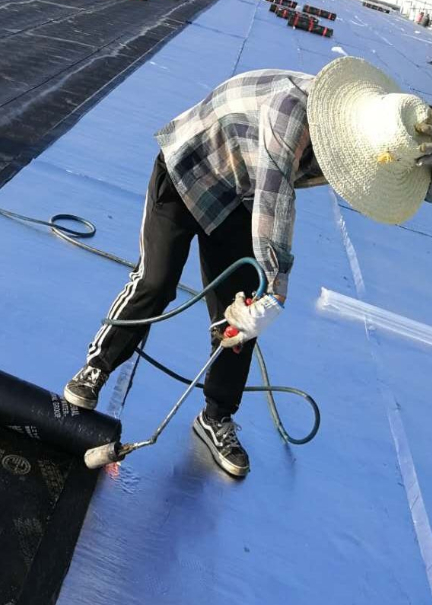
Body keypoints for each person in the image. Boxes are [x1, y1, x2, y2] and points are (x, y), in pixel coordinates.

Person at [64, 57, 432, 477]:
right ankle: (97, 366)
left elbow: (420, 171)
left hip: (240, 197)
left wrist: (260, 301)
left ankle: (215, 415)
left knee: (240, 311)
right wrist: (276, 290)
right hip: (190, 171)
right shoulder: (290, 111)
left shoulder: (383, 130)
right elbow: (276, 201)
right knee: (156, 281)